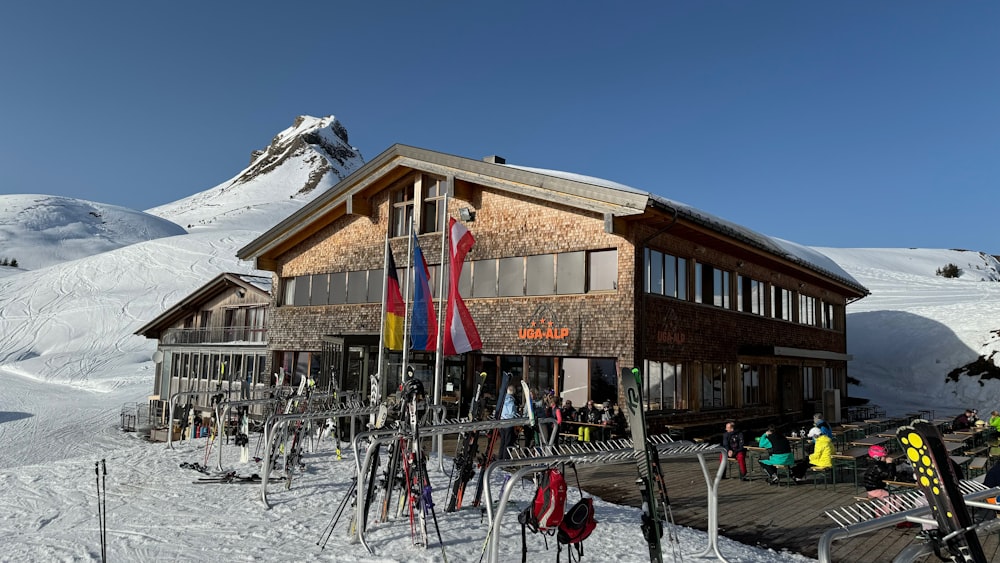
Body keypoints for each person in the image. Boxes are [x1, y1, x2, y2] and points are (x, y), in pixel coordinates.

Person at [498, 385, 517, 460]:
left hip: (502, 422)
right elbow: (512, 413)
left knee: (502, 441)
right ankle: (505, 458)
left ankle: (500, 457)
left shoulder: (502, 399)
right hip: (508, 424)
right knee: (508, 442)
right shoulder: (511, 401)